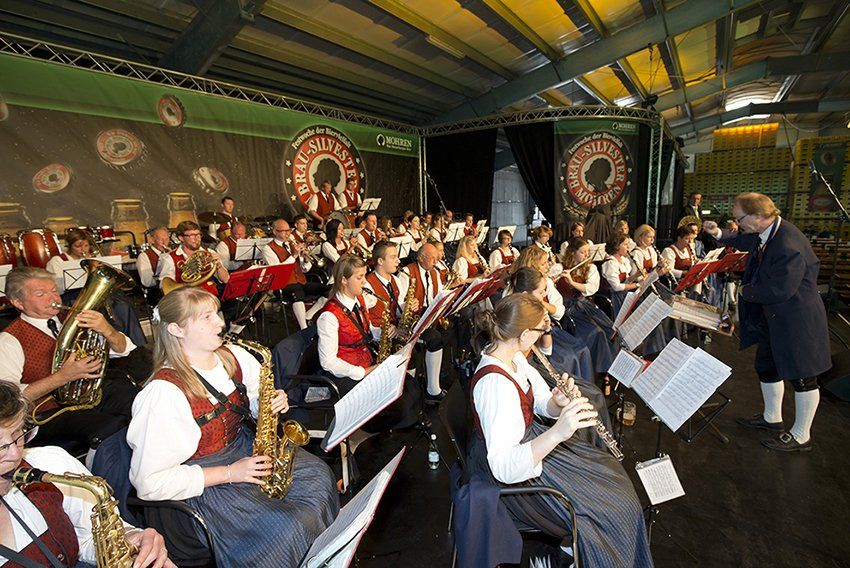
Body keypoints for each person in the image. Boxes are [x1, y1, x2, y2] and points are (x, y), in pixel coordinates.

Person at [126, 287, 339, 566]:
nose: (220, 322)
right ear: (177, 329)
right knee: (288, 526)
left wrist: (271, 402)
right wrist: (230, 473)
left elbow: (254, 403)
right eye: (206, 317)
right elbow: (149, 483)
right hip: (205, 480)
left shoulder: (233, 356)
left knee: (319, 476)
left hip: (243, 448)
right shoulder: (162, 394)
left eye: (216, 313)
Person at [469, 294, 653, 567]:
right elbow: (504, 467)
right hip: (515, 476)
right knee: (611, 508)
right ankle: (582, 552)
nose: (542, 335)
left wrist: (557, 403)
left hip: (529, 448)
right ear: (524, 334)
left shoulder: (514, 356)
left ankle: (573, 551)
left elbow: (540, 402)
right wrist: (558, 432)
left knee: (612, 478)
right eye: (540, 330)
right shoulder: (494, 385)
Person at [703, 193, 830, 451]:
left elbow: (781, 289)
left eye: (739, 219)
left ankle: (801, 435)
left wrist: (745, 291)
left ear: (758, 216)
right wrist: (718, 233)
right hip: (773, 318)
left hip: (796, 320)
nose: (737, 224)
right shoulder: (766, 231)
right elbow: (744, 239)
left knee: (803, 376)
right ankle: (772, 418)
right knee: (767, 366)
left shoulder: (788, 244)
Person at [0, 380, 173, 567]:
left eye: (17, 436)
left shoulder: (46, 463)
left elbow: (89, 538)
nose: (15, 454)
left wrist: (130, 539)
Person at [0, 267, 139, 448]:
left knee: (142, 402)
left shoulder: (74, 318)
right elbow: (9, 398)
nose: (53, 298)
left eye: (54, 291)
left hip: (90, 396)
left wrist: (108, 330)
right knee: (109, 427)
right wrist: (62, 377)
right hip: (45, 413)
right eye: (41, 294)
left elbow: (123, 350)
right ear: (18, 302)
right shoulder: (9, 340)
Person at [317, 255, 423, 426]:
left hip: (367, 360)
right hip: (348, 375)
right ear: (344, 280)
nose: (365, 282)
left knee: (411, 386)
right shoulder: (329, 316)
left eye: (365, 276)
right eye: (359, 277)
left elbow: (366, 330)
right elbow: (328, 362)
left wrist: (382, 332)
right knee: (399, 404)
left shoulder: (359, 299)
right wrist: (363, 372)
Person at [557, 238, 618, 373]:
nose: (587, 255)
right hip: (565, 308)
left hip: (582, 305)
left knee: (609, 329)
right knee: (596, 332)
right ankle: (597, 368)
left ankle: (607, 367)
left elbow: (591, 288)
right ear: (572, 253)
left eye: (588, 252)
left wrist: (572, 282)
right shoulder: (559, 267)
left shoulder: (591, 268)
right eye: (583, 252)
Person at [400, 244, 448, 402]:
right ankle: (431, 389)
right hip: (412, 320)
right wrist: (408, 304)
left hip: (429, 315)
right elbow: (399, 302)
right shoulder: (407, 272)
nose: (436, 261)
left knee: (449, 330)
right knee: (435, 337)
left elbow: (438, 295)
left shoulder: (435, 272)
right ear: (420, 258)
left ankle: (438, 374)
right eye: (432, 258)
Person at [262, 219, 329, 330]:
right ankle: (304, 328)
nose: (288, 233)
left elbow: (305, 269)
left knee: (329, 290)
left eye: (289, 230)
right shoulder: (268, 249)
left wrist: (305, 259)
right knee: (297, 292)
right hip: (282, 285)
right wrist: (293, 256)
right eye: (284, 231)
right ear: (274, 231)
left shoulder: (291, 244)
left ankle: (308, 315)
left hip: (300, 281)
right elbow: (278, 270)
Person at [159, 221, 229, 297]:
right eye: (192, 235)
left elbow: (225, 280)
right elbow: (164, 285)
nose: (197, 239)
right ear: (181, 238)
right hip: (185, 298)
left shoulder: (209, 253)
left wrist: (219, 266)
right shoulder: (170, 258)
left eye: (198, 235)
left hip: (209, 296)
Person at [601, 233, 643, 316]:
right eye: (626, 244)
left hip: (622, 294)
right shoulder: (610, 263)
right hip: (613, 297)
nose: (628, 247)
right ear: (617, 246)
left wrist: (635, 276)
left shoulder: (623, 260)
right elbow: (616, 287)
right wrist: (637, 284)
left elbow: (625, 282)